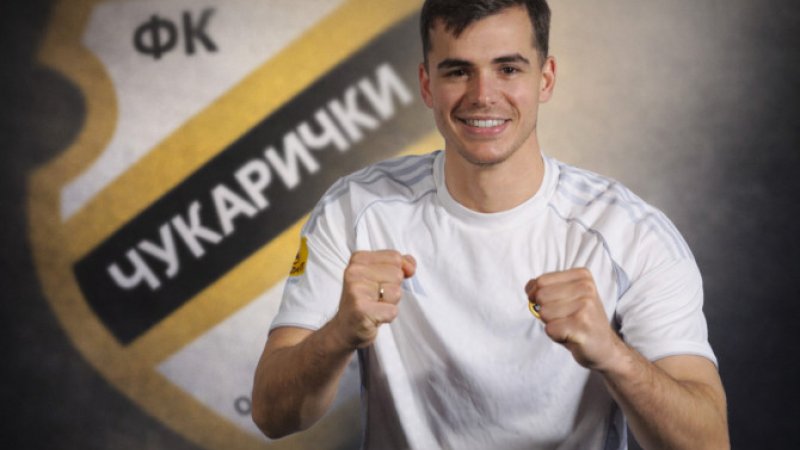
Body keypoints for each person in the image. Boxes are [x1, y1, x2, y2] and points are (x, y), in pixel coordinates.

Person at [251, 0, 729, 448]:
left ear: (545, 78)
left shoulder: (631, 234)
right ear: (426, 84)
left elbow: (709, 441)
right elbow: (272, 415)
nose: (483, 96)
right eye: (458, 71)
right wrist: (339, 333)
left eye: (508, 69)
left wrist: (612, 353)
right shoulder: (356, 209)